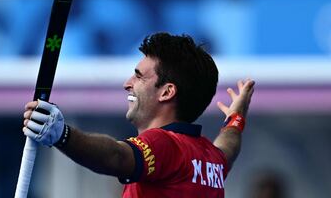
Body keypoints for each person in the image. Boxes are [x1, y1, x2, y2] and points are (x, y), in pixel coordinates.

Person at [23, 32, 255, 198]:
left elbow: (117, 156)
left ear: (167, 92)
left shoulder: (164, 144)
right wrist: (236, 119)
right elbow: (229, 146)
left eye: (139, 76)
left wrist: (62, 135)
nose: (127, 84)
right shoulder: (212, 158)